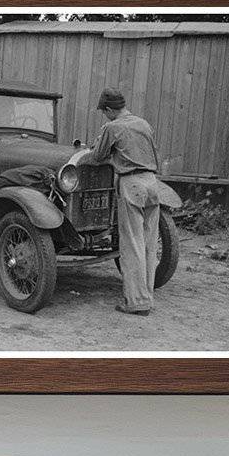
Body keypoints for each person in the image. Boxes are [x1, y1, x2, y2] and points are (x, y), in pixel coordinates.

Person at [79, 88, 161, 316]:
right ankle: (147, 296)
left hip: (131, 184)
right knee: (148, 243)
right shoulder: (144, 124)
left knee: (132, 244)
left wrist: (109, 153)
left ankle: (136, 303)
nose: (104, 115)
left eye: (103, 111)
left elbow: (96, 156)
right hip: (152, 184)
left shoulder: (113, 127)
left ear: (108, 109)